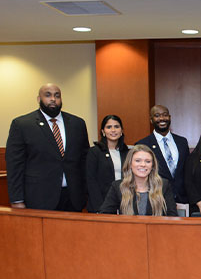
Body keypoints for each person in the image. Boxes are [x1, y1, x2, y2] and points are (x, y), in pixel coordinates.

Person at [6, 83, 89, 211]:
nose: (53, 99)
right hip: (39, 198)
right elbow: (15, 165)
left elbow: (84, 160)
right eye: (48, 95)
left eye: (57, 96)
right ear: (39, 99)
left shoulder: (77, 124)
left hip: (73, 198)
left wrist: (86, 193)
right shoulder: (22, 125)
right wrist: (17, 199)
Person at [99, 144, 178, 216]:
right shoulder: (118, 186)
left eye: (148, 161)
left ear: (152, 165)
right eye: (138, 161)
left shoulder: (163, 185)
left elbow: (172, 217)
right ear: (130, 164)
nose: (143, 165)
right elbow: (105, 215)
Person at [136, 105, 190, 203]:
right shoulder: (143, 144)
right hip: (155, 198)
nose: (162, 118)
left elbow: (187, 170)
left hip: (182, 198)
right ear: (151, 120)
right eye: (157, 115)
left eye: (165, 115)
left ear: (169, 118)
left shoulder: (182, 142)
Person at [86, 115, 130, 213]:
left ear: (122, 130)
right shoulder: (95, 152)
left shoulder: (127, 152)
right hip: (102, 203)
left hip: (124, 203)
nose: (113, 130)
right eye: (109, 127)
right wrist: (100, 207)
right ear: (103, 131)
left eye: (116, 127)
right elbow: (91, 181)